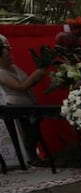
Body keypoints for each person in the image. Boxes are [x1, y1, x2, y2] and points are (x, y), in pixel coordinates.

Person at [0, 36, 51, 165]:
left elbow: (28, 82)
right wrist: (36, 73)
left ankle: (35, 156)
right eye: (6, 56)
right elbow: (20, 87)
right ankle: (32, 157)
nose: (10, 57)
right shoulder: (1, 72)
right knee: (29, 131)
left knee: (34, 129)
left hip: (30, 100)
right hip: (17, 104)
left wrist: (39, 75)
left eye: (10, 54)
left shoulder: (14, 67)